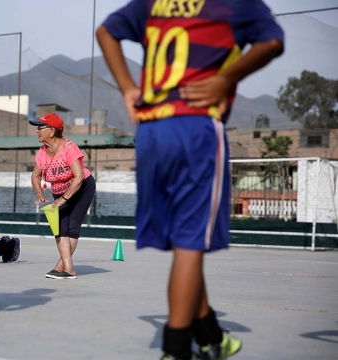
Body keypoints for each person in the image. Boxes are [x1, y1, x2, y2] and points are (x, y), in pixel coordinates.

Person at [96, 1, 284, 359]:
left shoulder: (153, 3)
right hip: (194, 128)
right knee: (190, 244)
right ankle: (177, 348)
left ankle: (211, 333)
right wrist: (227, 78)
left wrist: (126, 88)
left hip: (151, 132)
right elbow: (272, 42)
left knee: (186, 246)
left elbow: (105, 31)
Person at [30, 113, 96, 279]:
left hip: (82, 188)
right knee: (59, 229)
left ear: (52, 131)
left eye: (40, 128)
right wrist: (39, 193)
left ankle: (66, 269)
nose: (37, 131)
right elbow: (35, 176)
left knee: (71, 228)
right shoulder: (42, 153)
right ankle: (65, 267)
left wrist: (63, 199)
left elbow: (79, 176)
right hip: (59, 192)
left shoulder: (68, 147)